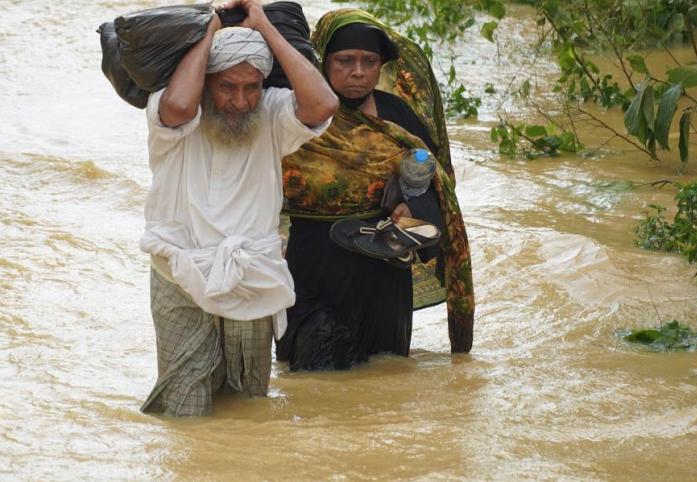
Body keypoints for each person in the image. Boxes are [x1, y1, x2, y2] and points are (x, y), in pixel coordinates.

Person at [138, 0, 338, 416]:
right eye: (227, 86)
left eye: (251, 87)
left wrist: (263, 26)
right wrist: (208, 30)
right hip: (179, 273)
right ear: (205, 81)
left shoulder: (271, 113)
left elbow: (323, 104)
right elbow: (179, 107)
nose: (240, 101)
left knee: (248, 405)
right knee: (184, 408)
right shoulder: (171, 113)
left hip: (253, 274)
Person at [276, 9, 474, 371]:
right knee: (316, 375)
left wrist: (411, 214)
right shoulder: (294, 111)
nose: (358, 72)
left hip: (382, 279)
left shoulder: (397, 117)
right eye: (345, 60)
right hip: (311, 272)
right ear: (323, 61)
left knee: (383, 381)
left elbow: (434, 195)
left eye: (370, 62)